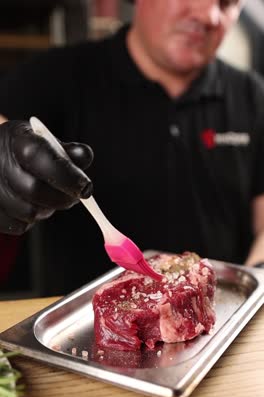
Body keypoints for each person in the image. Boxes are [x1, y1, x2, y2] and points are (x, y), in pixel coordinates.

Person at [0, 0, 263, 297]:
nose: (210, 15)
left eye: (228, 3)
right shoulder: (56, 75)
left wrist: (256, 278)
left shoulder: (253, 97)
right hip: (82, 327)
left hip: (223, 318)